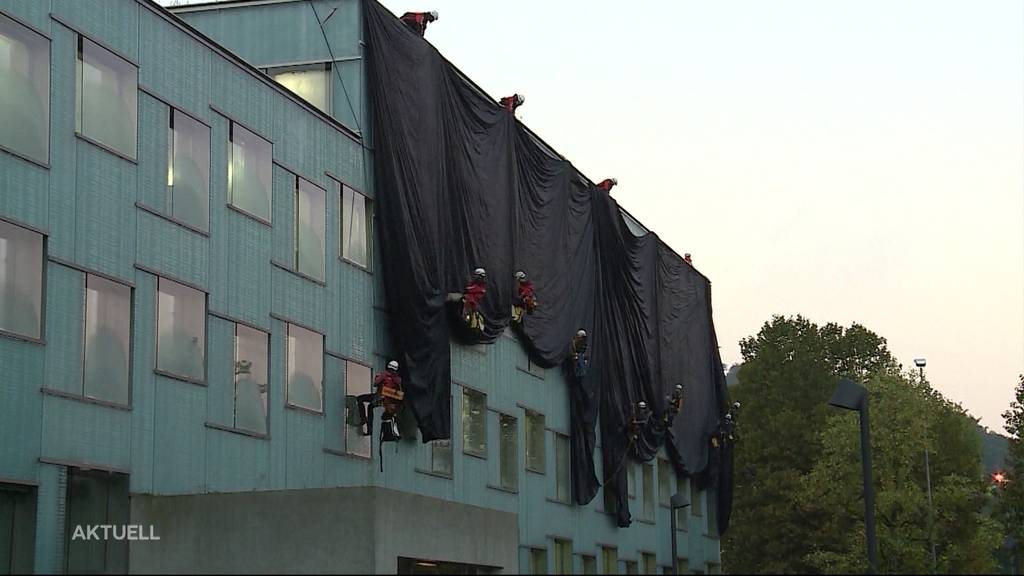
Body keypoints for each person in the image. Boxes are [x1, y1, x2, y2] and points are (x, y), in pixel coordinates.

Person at [373, 360, 405, 441]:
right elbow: (400, 393)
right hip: (392, 398)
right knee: (387, 416)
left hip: (388, 397)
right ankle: (390, 434)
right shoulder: (397, 378)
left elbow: (376, 383)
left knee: (389, 415)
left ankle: (391, 434)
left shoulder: (387, 376)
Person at [462, 268, 487, 333]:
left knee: (472, 322)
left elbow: (470, 290)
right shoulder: (473, 284)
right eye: (475, 275)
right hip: (467, 306)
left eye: (478, 276)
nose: (476, 277)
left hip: (474, 309)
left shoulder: (481, 288)